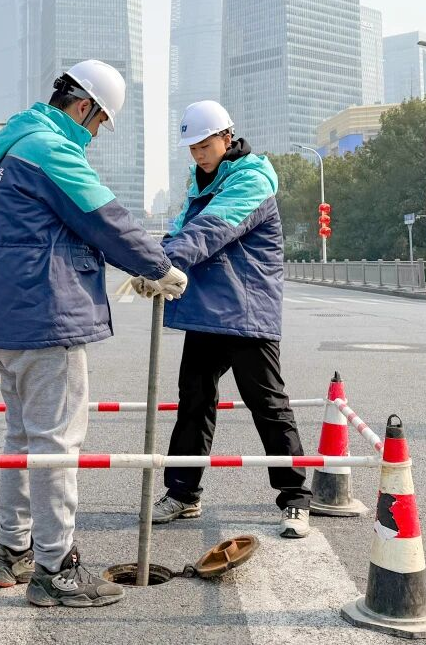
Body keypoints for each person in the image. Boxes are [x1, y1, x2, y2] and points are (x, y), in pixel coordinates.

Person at [0, 59, 189, 608]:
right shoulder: (51, 151)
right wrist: (158, 269)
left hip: (9, 320)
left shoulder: (17, 148)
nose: (93, 137)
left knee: (23, 441)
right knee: (55, 444)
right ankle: (57, 567)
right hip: (46, 317)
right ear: (83, 107)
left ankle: (13, 553)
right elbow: (107, 218)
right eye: (98, 124)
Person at [136, 100, 312, 539]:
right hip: (207, 312)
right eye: (191, 146)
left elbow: (211, 231)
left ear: (227, 138)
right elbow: (179, 229)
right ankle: (182, 493)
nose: (197, 153)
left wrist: (163, 264)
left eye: (205, 144)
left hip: (247, 311)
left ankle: (295, 498)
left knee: (268, 405)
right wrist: (148, 260)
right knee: (193, 401)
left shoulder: (251, 181)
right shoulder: (199, 183)